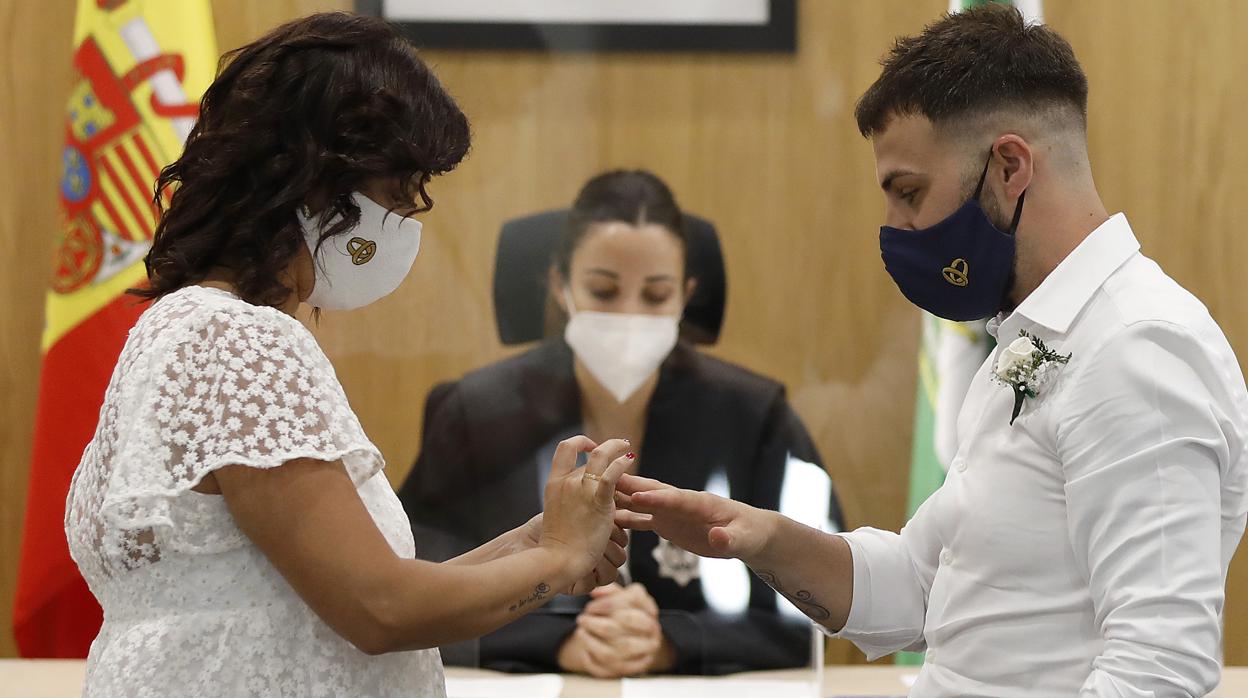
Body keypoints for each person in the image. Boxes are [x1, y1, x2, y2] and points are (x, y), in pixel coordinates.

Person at [615, 6, 1248, 696]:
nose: (895, 228)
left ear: (1009, 166)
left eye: (910, 193)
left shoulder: (1137, 353)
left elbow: (1159, 667)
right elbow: (923, 589)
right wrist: (762, 539)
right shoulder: (1032, 336)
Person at [64, 13, 633, 697]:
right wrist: (565, 558)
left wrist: (538, 549)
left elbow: (325, 601)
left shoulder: (182, 326)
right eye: (396, 196)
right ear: (309, 184)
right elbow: (377, 611)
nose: (407, 225)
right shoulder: (240, 343)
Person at [398, 169, 841, 677]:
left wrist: (672, 642)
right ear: (560, 285)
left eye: (655, 295)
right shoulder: (474, 412)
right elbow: (417, 594)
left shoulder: (755, 416)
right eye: (604, 291)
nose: (630, 314)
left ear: (686, 294)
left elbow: (817, 599)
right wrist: (558, 642)